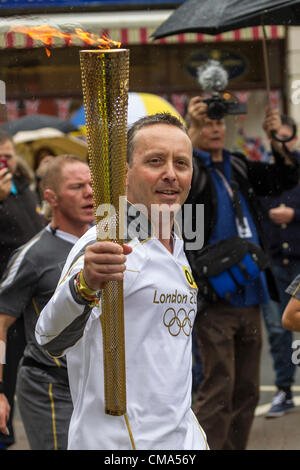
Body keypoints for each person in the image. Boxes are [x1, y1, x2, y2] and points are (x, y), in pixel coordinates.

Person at [35, 113, 209, 450]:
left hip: (181, 438)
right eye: (155, 161)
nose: (171, 174)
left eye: (181, 163)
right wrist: (83, 286)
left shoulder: (176, 242)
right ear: (124, 173)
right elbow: (48, 337)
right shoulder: (106, 242)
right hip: (119, 444)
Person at [184, 97, 299, 450]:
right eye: (206, 124)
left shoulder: (237, 165)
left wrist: (275, 140)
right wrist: (188, 136)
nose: (215, 129)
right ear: (192, 130)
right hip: (213, 297)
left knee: (247, 389)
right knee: (216, 388)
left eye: (219, 123)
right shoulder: (191, 171)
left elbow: (285, 177)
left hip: (251, 293)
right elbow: (178, 173)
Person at [0, 154, 94, 450]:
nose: (90, 193)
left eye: (92, 184)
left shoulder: (110, 244)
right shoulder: (34, 255)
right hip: (51, 386)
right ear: (51, 197)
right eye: (77, 186)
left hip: (97, 385)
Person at [0, 129, 45, 449]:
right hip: (5, 299)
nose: (6, 162)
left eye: (8, 155)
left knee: (18, 369)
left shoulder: (26, 187)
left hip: (30, 297)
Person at [260, 115, 300, 418]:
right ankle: (284, 390)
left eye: (286, 136)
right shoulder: (264, 172)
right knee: (277, 329)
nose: (281, 142)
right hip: (273, 263)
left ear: (295, 139)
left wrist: (294, 215)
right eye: (276, 137)